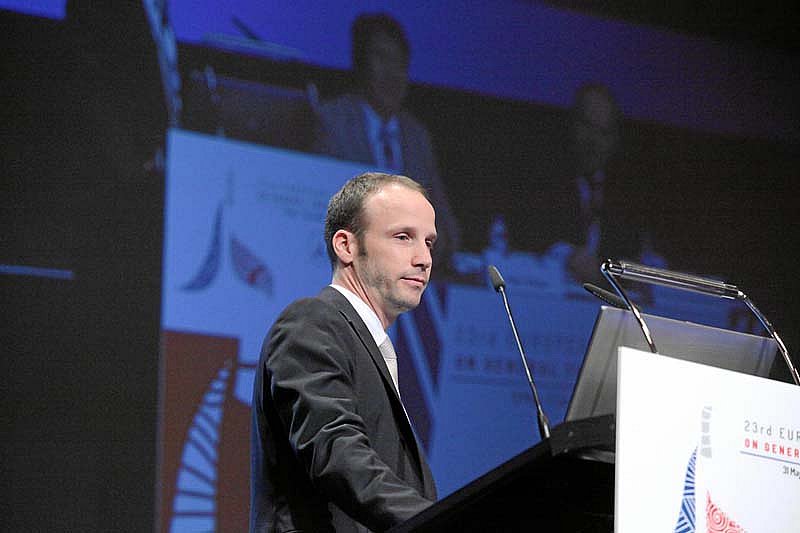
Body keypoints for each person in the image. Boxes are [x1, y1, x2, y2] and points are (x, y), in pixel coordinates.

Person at [250, 172, 438, 532]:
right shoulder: (312, 323)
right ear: (346, 246)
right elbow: (335, 451)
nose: (424, 258)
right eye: (403, 237)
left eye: (429, 242)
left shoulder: (369, 345)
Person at [311, 13, 460, 275]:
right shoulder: (333, 120)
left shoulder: (416, 136)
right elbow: (320, 209)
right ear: (360, 64)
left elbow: (446, 228)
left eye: (399, 63)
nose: (392, 73)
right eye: (382, 58)